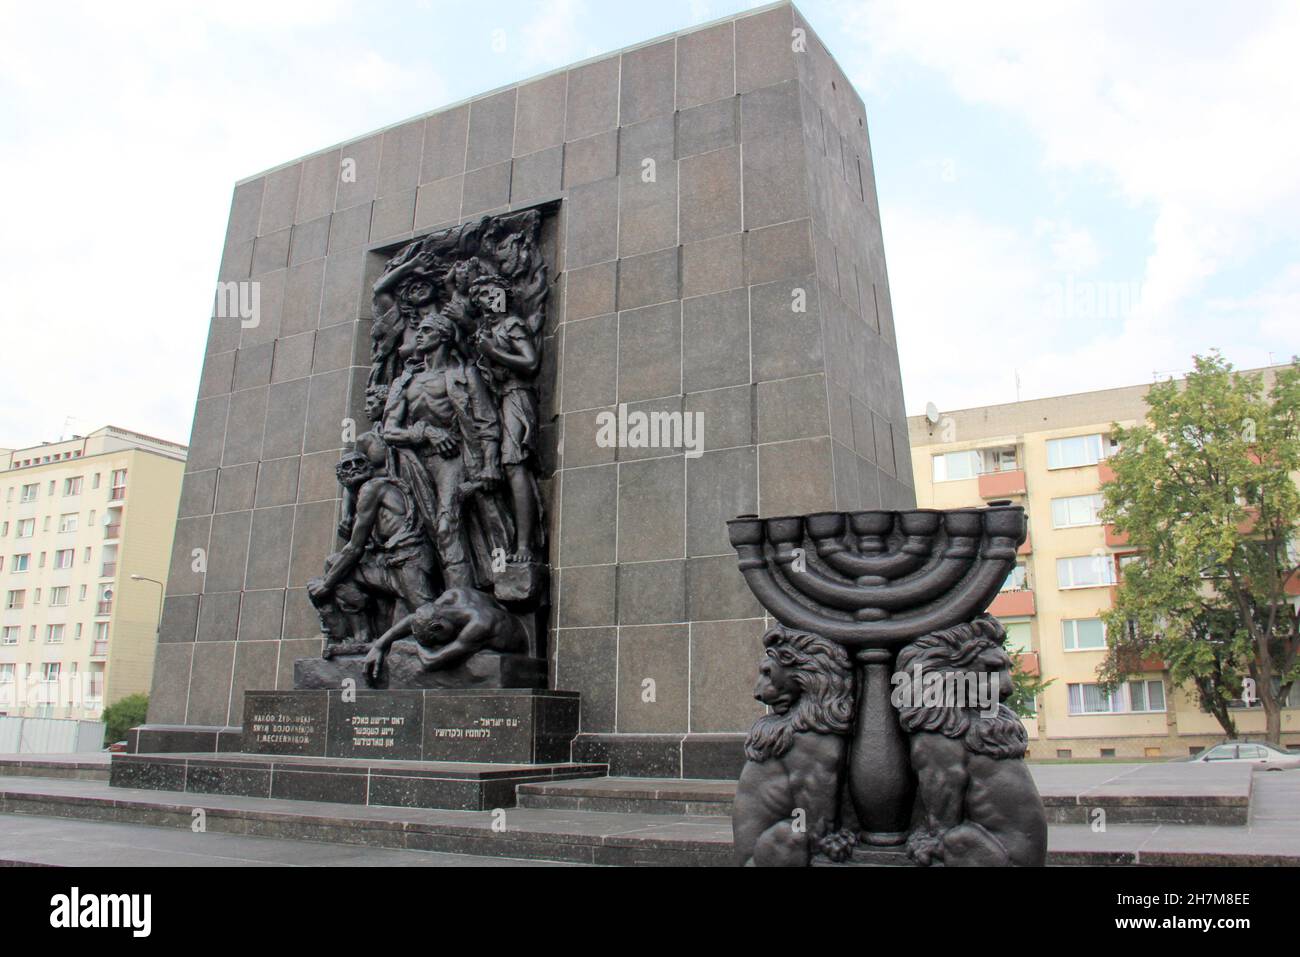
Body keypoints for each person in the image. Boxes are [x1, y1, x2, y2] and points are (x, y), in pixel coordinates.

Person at [307, 451, 435, 651]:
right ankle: (362, 637)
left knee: (427, 616)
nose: (355, 467)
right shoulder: (373, 492)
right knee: (335, 563)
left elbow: (354, 548)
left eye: (359, 462)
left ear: (370, 468)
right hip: (395, 564)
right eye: (347, 465)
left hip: (410, 561)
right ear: (341, 477)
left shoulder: (372, 488)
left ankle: (369, 640)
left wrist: (326, 585)